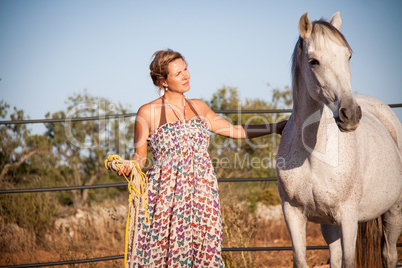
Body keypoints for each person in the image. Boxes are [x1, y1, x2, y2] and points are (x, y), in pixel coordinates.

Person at [120, 49, 287, 267]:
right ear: (164, 81)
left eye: (186, 69)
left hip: (202, 194)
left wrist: (275, 127)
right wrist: (128, 166)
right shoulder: (148, 112)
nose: (186, 76)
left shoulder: (198, 107)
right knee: (164, 254)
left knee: (206, 250)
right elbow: (140, 157)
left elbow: (234, 130)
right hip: (165, 198)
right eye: (178, 73)